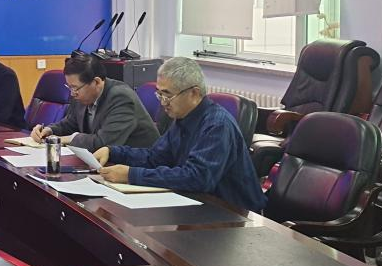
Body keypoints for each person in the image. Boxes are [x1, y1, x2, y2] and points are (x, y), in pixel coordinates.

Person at [94, 56, 265, 214]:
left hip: (234, 213)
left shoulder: (217, 125)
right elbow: (155, 158)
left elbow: (197, 178)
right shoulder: (182, 117)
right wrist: (113, 151)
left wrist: (131, 175)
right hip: (197, 205)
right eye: (159, 94)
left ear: (194, 93)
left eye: (168, 95)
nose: (163, 103)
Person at [30, 54, 159, 152]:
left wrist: (68, 139)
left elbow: (104, 144)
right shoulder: (82, 95)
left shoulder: (121, 97)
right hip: (104, 163)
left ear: (96, 82)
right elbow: (70, 124)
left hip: (137, 166)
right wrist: (49, 131)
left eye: (75, 88)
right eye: (69, 87)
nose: (72, 93)